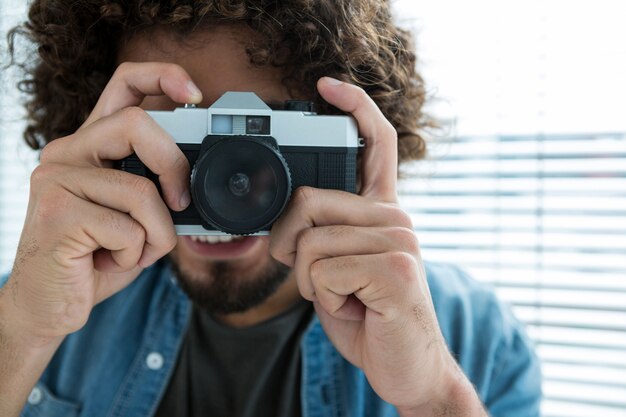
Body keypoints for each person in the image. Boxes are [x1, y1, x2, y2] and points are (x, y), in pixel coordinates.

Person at [0, 1, 541, 416]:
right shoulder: (37, 298)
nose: (221, 185)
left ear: (348, 143)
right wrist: (22, 331)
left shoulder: (477, 339)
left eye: (260, 143)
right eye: (174, 137)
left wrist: (432, 399)